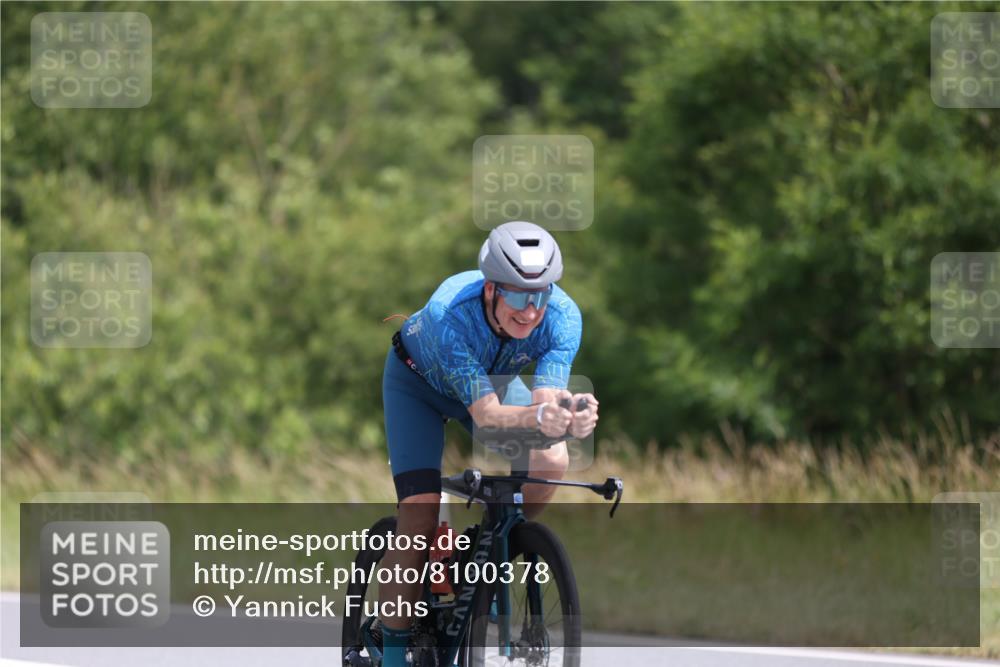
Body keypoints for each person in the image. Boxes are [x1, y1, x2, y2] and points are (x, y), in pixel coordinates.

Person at [378, 220, 598, 666]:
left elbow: (544, 402)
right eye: (517, 295)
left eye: (540, 295)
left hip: (493, 386)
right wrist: (539, 417)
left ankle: (483, 553)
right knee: (420, 510)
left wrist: (568, 419)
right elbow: (489, 417)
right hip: (418, 387)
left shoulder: (563, 316)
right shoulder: (450, 315)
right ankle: (394, 652)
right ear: (490, 289)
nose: (530, 310)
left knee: (553, 459)